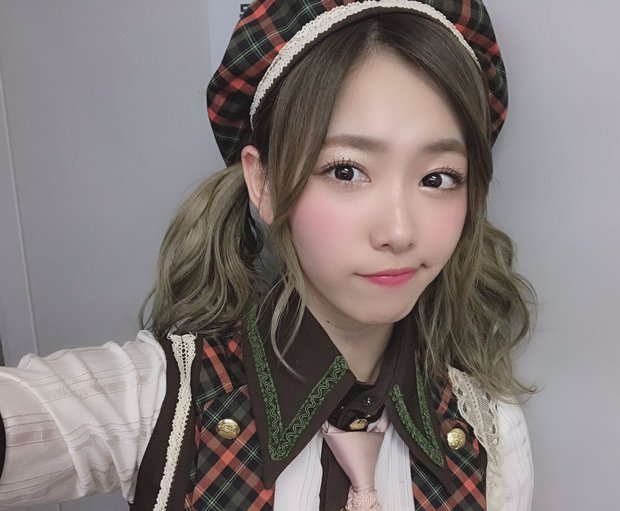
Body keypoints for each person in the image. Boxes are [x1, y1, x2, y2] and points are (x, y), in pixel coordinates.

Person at [0, 0, 535, 509]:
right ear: (265, 184)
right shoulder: (161, 399)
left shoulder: (488, 429)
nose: (398, 232)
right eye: (346, 171)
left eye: (438, 178)